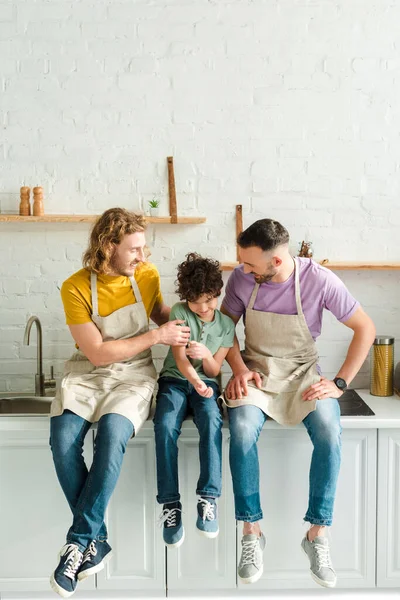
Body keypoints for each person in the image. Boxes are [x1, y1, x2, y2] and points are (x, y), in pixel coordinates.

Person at [220, 218, 376, 587]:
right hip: (256, 372)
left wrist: (339, 383)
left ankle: (317, 535)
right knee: (241, 430)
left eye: (251, 264)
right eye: (242, 262)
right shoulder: (242, 279)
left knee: (327, 430)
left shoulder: (318, 279)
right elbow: (223, 331)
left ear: (276, 261)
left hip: (303, 374)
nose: (243, 269)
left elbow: (364, 327)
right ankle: (251, 531)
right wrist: (239, 369)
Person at [49, 208, 191, 598]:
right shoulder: (74, 287)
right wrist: (157, 336)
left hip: (134, 376)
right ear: (108, 246)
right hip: (89, 373)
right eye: (134, 249)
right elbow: (96, 354)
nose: (142, 257)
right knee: (62, 441)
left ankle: (79, 543)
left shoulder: (145, 275)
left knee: (112, 435)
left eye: (143, 248)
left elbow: (161, 315)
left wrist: (192, 325)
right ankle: (99, 538)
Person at [154, 253, 235, 547]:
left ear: (217, 293)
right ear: (186, 298)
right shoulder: (179, 312)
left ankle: (208, 498)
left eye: (209, 299)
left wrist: (206, 359)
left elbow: (216, 369)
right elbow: (178, 358)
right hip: (176, 381)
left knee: (213, 421)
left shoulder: (226, 326)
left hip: (208, 383)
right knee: (164, 425)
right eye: (196, 301)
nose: (203, 307)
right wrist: (197, 380)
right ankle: (170, 504)